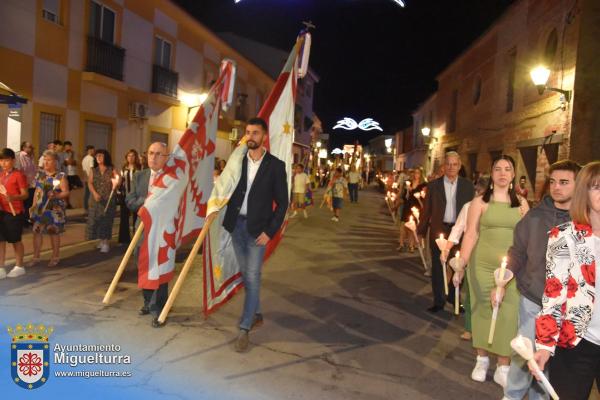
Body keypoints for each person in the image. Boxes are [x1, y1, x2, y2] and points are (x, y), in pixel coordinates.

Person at [495, 160, 581, 400]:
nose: (557, 187)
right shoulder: (535, 216)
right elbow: (518, 251)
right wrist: (504, 277)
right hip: (533, 299)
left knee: (552, 364)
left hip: (569, 306)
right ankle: (511, 396)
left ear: (579, 184)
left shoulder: (585, 220)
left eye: (564, 182)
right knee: (525, 356)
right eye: (553, 182)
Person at [457, 155, 529, 387]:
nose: (502, 173)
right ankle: (481, 359)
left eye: (507, 169)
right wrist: (462, 263)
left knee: (508, 314)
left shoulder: (522, 203)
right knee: (483, 311)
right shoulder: (480, 202)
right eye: (497, 169)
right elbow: (471, 234)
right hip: (482, 266)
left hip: (511, 269)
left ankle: (503, 365)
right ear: (492, 173)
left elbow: (527, 238)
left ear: (513, 173)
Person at [532, 161, 600, 400]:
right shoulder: (564, 237)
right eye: (597, 187)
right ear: (584, 192)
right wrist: (544, 345)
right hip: (576, 343)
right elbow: (553, 295)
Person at [222, 117, 287, 352]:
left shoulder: (276, 166)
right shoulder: (237, 160)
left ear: (264, 136)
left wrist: (270, 232)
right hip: (236, 225)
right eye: (248, 132)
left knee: (252, 275)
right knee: (246, 276)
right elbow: (225, 187)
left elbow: (282, 203)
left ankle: (245, 327)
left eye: (255, 133)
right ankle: (257, 314)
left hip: (258, 230)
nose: (250, 136)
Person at [417, 152, 475, 313]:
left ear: (459, 166)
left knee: (459, 265)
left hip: (459, 232)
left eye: (454, 164)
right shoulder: (433, 186)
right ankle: (439, 301)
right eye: (448, 164)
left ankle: (454, 296)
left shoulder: (468, 186)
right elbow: (426, 209)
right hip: (438, 230)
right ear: (444, 166)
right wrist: (421, 230)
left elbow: (472, 210)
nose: (451, 167)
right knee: (438, 266)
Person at [126, 142, 170, 328]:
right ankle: (147, 301)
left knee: (160, 268)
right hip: (142, 230)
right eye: (151, 153)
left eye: (159, 154)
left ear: (166, 158)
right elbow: (130, 200)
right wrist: (147, 201)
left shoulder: (172, 179)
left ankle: (159, 308)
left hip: (162, 232)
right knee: (143, 265)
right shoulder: (139, 176)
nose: (154, 157)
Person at [441, 174, 490, 341]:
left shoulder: (500, 208)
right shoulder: (469, 206)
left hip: (492, 258)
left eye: (482, 191)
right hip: (472, 256)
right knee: (470, 294)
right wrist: (446, 248)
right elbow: (458, 228)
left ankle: (487, 327)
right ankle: (470, 327)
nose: (479, 194)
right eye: (477, 191)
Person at [29, 150, 69, 267]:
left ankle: (55, 256)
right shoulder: (40, 175)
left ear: (55, 162)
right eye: (45, 160)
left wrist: (56, 195)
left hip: (54, 209)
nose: (46, 162)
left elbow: (66, 192)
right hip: (40, 208)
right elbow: (37, 191)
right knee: (36, 232)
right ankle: (36, 257)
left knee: (53, 232)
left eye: (49, 160)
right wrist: (33, 205)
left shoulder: (60, 176)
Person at [0, 149, 29, 279]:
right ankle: (1, 267)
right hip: (2, 212)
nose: (4, 163)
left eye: (6, 160)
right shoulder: (1, 176)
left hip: (14, 212)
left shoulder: (19, 175)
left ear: (13, 160)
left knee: (15, 240)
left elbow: (25, 194)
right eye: (1, 160)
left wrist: (13, 198)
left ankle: (19, 266)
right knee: (0, 241)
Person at [86, 149, 120, 253]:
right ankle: (101, 240)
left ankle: (106, 242)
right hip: (96, 200)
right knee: (96, 220)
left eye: (101, 156)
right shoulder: (93, 170)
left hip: (108, 199)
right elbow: (90, 183)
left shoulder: (111, 169)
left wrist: (116, 183)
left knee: (106, 221)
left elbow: (118, 179)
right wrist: (95, 193)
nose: (99, 158)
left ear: (106, 157)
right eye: (97, 156)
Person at [401, 168, 428, 252]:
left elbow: (424, 197)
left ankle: (412, 245)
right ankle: (406, 244)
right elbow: (405, 197)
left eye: (418, 173)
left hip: (416, 207)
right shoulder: (409, 183)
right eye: (415, 173)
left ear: (421, 174)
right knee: (406, 225)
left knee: (414, 227)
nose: (416, 175)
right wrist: (408, 191)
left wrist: (419, 196)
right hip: (408, 205)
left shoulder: (423, 185)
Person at [118, 149, 141, 244]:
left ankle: (137, 238)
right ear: (126, 157)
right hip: (125, 195)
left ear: (135, 157)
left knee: (137, 218)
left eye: (132, 156)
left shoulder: (140, 168)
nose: (130, 158)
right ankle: (124, 239)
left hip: (136, 196)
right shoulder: (123, 168)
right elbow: (120, 181)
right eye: (129, 156)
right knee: (124, 217)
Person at [16, 141, 37, 222]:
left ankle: (27, 218)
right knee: (24, 203)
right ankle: (23, 220)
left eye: (31, 147)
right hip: (24, 183)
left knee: (30, 202)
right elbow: (19, 170)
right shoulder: (20, 156)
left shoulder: (31, 157)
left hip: (32, 183)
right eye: (28, 147)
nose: (30, 149)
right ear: (23, 147)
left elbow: (33, 170)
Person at [63, 141, 82, 209]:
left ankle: (68, 203)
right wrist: (69, 161)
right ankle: (67, 204)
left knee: (75, 188)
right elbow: (65, 163)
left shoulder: (74, 154)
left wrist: (71, 160)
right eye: (67, 146)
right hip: (66, 174)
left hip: (73, 174)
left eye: (70, 146)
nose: (69, 148)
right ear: (64, 147)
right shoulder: (63, 154)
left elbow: (75, 163)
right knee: (66, 190)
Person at [81, 145, 95, 211]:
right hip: (91, 178)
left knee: (87, 193)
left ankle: (86, 206)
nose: (94, 151)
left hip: (86, 177)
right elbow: (92, 168)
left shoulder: (84, 159)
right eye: (93, 150)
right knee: (92, 192)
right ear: (90, 150)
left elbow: (83, 170)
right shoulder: (91, 158)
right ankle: (91, 206)